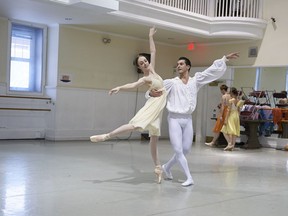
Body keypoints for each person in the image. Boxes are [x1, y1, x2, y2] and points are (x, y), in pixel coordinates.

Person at [148, 52, 240, 186]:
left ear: (188, 67)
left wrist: (224, 59)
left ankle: (166, 167)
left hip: (188, 119)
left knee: (186, 150)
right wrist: (150, 93)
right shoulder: (171, 83)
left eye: (181, 64)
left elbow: (211, 71)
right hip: (174, 118)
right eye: (177, 64)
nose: (178, 66)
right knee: (178, 150)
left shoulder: (195, 80)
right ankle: (189, 177)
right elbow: (154, 90)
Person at [90, 27, 167, 184]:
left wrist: (150, 36)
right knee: (135, 126)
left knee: (154, 139)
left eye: (145, 61)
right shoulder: (145, 79)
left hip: (158, 110)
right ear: (139, 67)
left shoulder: (153, 70)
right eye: (141, 63)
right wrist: (120, 87)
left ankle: (158, 168)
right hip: (152, 106)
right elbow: (132, 85)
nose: (144, 63)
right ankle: (107, 136)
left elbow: (153, 50)